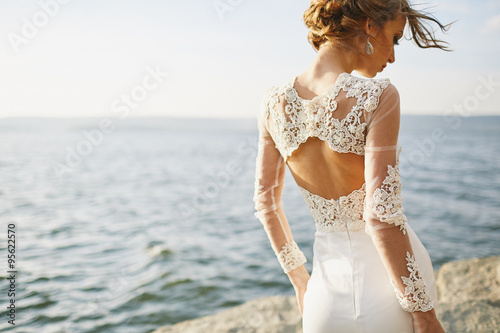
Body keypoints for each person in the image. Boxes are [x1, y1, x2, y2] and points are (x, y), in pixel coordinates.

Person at [252, 1, 452, 332]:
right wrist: (424, 313)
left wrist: (302, 283)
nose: (392, 57)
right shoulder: (378, 96)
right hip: (389, 297)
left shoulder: (273, 104)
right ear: (370, 26)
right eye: (396, 38)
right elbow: (380, 216)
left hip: (323, 299)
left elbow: (266, 202)